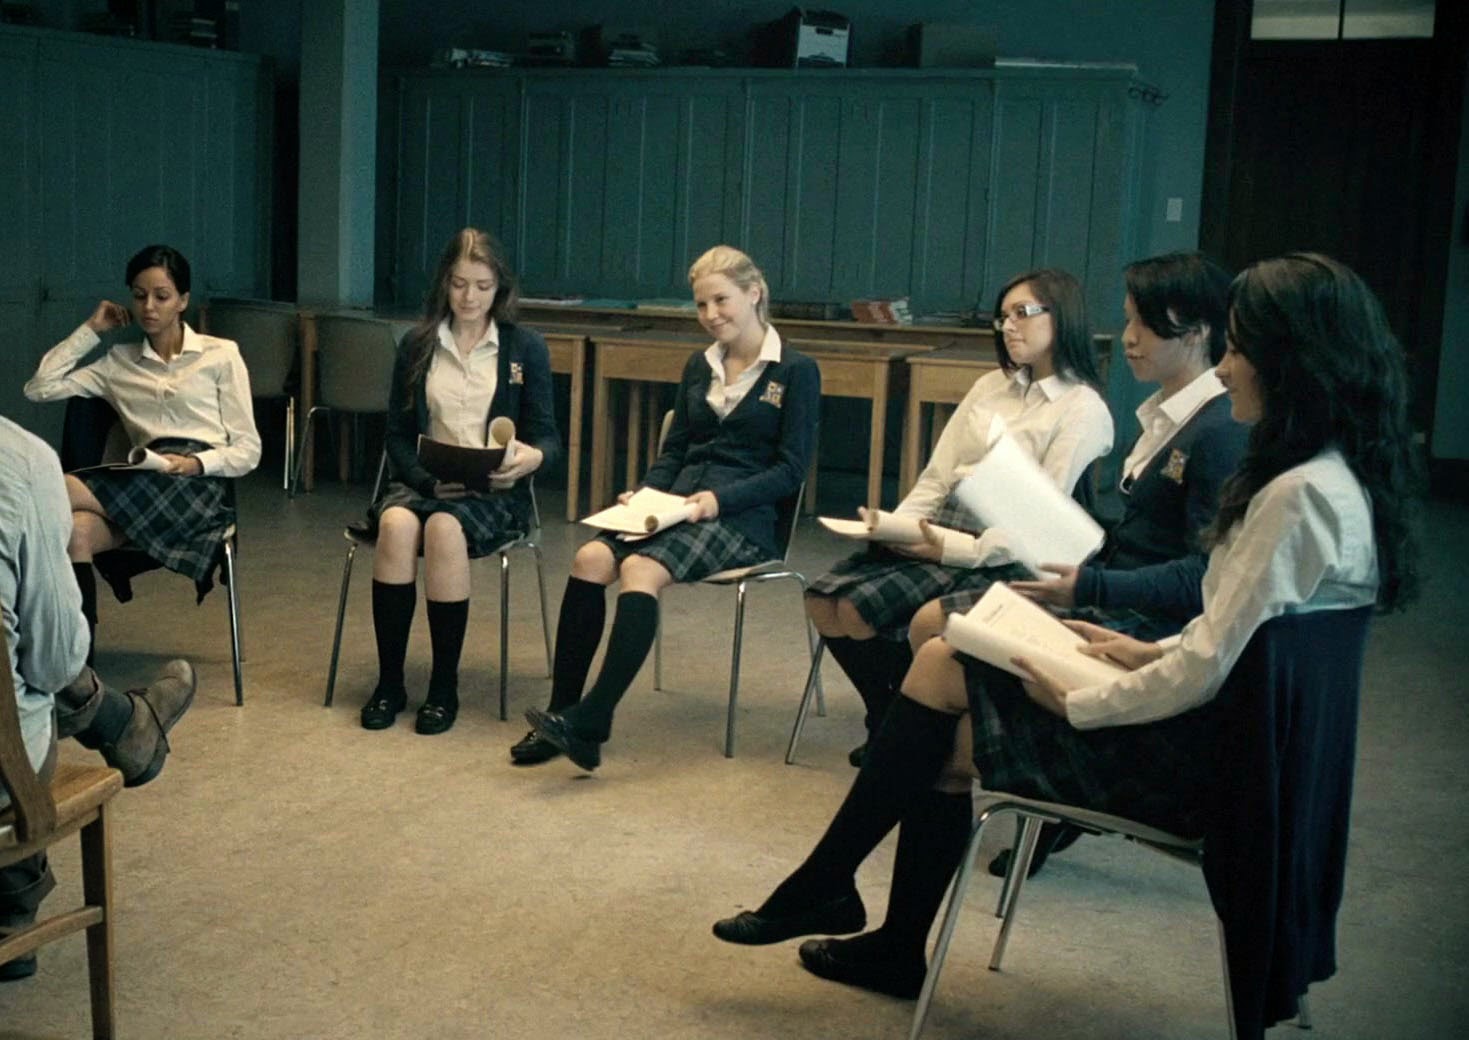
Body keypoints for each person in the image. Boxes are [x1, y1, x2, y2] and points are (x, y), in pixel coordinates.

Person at [712, 253, 1417, 1006]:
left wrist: (1081, 700)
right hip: (1240, 743)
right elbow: (1238, 636)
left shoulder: (1291, 494)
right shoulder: (1330, 479)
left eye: (1239, 349)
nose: (1225, 367)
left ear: (1291, 362)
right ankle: (852, 907)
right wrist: (1149, 649)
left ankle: (845, 900)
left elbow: (1211, 659)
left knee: (938, 689)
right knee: (938, 682)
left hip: (1206, 765)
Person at [934, 251, 1249, 878]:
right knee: (942, 631)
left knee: (942, 656)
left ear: (1198, 332)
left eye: (1145, 325)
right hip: (1113, 592)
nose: (1128, 338)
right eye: (1128, 320)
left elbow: (1202, 574)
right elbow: (1140, 534)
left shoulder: (1218, 431)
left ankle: (1043, 795)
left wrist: (1090, 584)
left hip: (1145, 622)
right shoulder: (1166, 415)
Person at [516, 245, 820, 770]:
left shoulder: (797, 371)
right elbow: (675, 452)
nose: (711, 315)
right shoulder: (699, 365)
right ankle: (562, 712)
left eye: (721, 300)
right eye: (701, 305)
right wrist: (644, 493)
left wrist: (717, 501)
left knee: (639, 567)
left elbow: (790, 470)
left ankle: (592, 722)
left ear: (754, 293)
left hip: (742, 520)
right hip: (675, 507)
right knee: (589, 558)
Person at [804, 268, 1113, 763]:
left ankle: (901, 725)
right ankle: (886, 713)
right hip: (945, 523)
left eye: (1022, 313)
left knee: (872, 611)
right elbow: (938, 475)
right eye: (1003, 317)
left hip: (1006, 547)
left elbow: (1039, 522)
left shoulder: (1082, 407)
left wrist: (951, 548)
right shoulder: (990, 385)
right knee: (825, 601)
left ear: (1062, 317)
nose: (1008, 326)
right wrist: (895, 527)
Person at [1, 414, 197, 982]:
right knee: (32, 682)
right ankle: (12, 915)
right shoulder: (20, 462)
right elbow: (56, 662)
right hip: (4, 774)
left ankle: (130, 726)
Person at [357, 227, 559, 735]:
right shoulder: (419, 344)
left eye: (483, 286)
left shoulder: (524, 348)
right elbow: (397, 435)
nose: (470, 297)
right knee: (396, 526)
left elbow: (549, 439)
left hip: (494, 492)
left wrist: (531, 458)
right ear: (444, 284)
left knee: (444, 528)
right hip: (424, 482)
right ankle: (390, 682)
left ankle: (443, 686)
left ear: (500, 288)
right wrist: (425, 482)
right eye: (459, 284)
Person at [23, 244, 261, 661]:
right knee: (76, 533)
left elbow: (249, 449)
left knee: (52, 488)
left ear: (183, 301)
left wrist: (198, 463)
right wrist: (92, 329)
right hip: (142, 477)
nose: (148, 306)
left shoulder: (221, 355)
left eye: (161, 296)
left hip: (198, 489)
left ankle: (32, 632)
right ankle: (80, 669)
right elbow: (40, 388)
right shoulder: (119, 361)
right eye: (139, 295)